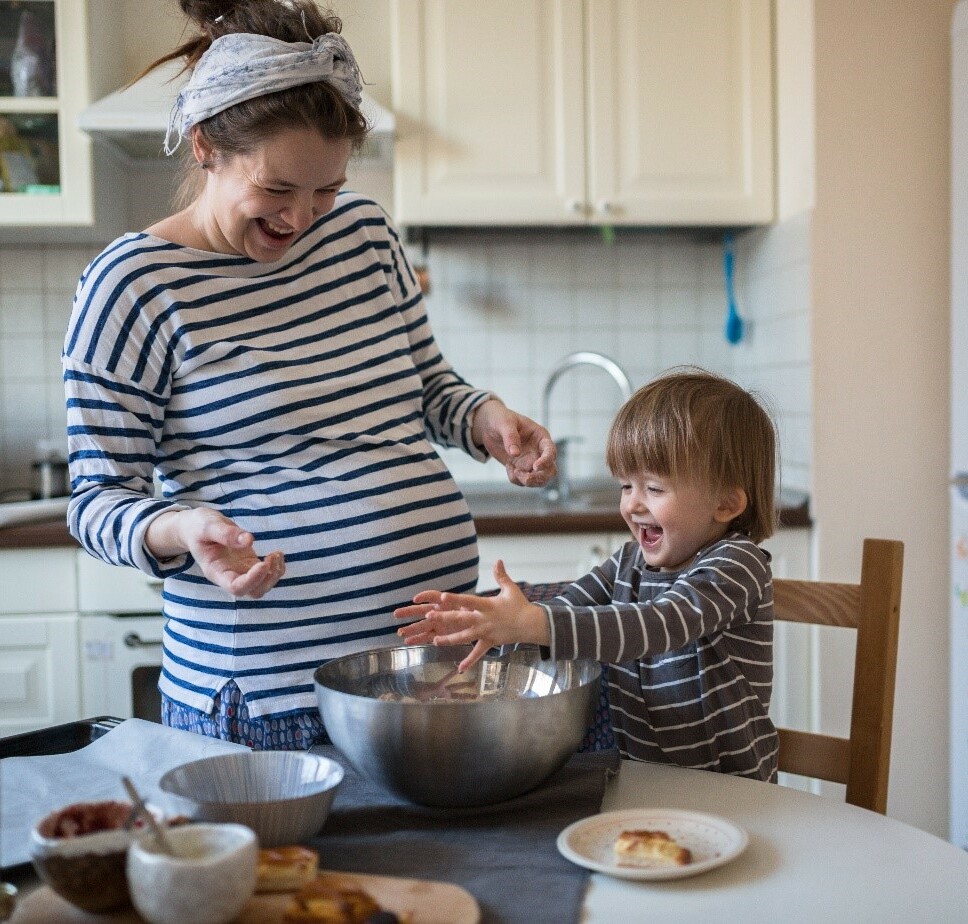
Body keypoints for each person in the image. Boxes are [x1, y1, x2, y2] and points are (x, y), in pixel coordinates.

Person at [62, 0, 554, 750]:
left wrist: (485, 417)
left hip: (430, 670)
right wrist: (183, 527)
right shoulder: (132, 286)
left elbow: (426, 386)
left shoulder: (361, 232)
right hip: (271, 696)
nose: (302, 218)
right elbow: (96, 502)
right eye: (277, 191)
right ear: (205, 147)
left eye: (324, 189)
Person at [396, 368, 780, 781]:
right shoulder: (628, 562)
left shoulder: (737, 565)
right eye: (624, 486)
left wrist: (533, 623)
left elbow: (656, 625)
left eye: (653, 488)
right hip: (644, 780)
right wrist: (495, 630)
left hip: (731, 790)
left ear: (725, 503)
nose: (632, 505)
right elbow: (567, 607)